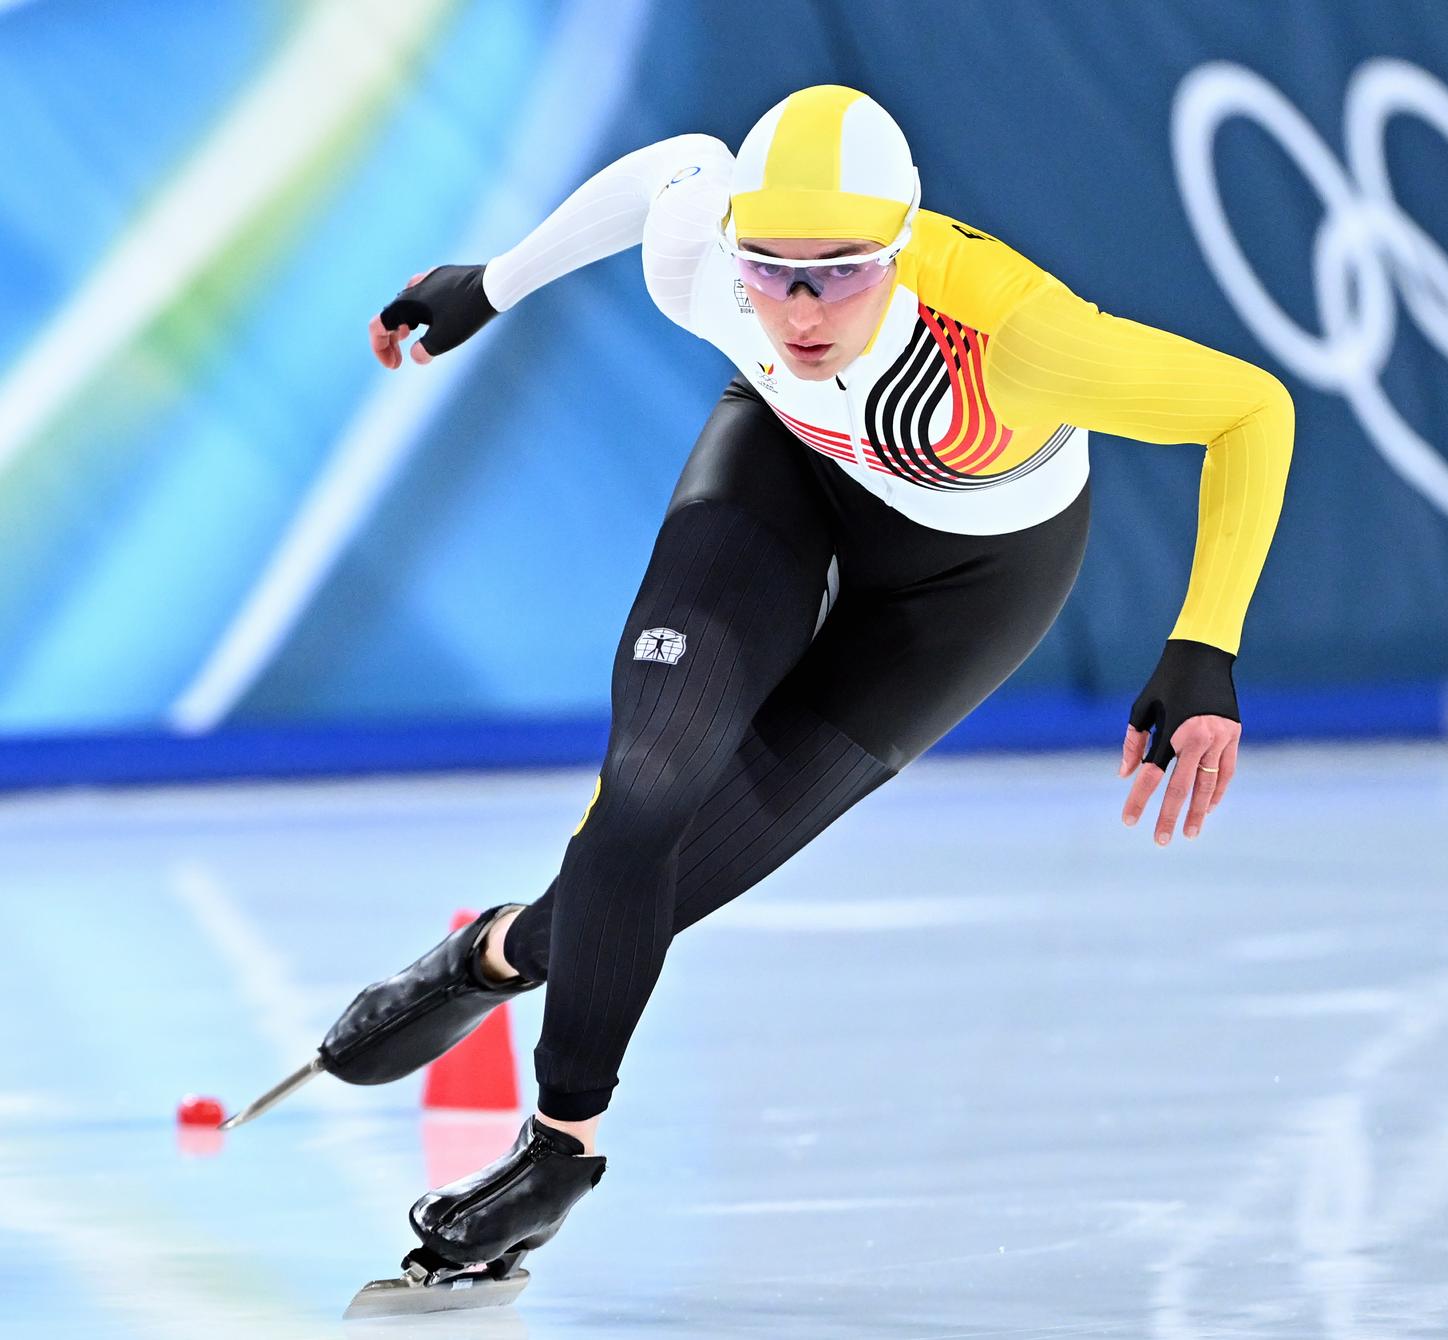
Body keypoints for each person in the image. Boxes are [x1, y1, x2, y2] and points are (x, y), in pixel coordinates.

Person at [290, 84, 1294, 1313]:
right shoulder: (701, 256)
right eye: (771, 269)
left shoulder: (1021, 338)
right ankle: (562, 1146)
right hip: (789, 466)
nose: (804, 307)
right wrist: (493, 282)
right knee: (644, 794)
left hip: (966, 588)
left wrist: (1207, 642)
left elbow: (1252, 407)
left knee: (662, 884)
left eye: (843, 272)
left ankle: (488, 957)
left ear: (904, 247)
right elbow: (669, 166)